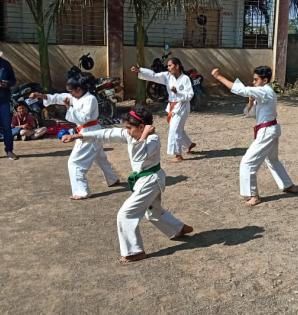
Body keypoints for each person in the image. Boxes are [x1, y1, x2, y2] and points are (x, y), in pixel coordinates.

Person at [61, 107, 194, 263]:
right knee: (153, 212)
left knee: (126, 214)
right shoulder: (131, 135)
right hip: (144, 181)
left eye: (130, 128)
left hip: (151, 180)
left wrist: (144, 135)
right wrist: (80, 135)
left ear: (142, 126)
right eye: (126, 128)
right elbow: (106, 134)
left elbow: (139, 156)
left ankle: (134, 251)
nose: (127, 132)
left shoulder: (153, 139)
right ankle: (178, 228)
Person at [211, 66, 298, 206]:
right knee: (272, 160)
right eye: (253, 79)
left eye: (256, 79)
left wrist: (219, 77)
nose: (254, 82)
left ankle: (253, 195)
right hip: (269, 130)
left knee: (247, 163)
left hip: (267, 131)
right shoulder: (261, 93)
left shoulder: (265, 91)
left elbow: (241, 90)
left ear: (265, 80)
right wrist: (251, 101)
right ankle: (288, 185)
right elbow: (249, 113)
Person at [29, 73, 119, 200]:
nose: (69, 94)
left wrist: (68, 108)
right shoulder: (75, 96)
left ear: (79, 89)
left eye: (71, 91)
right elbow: (57, 97)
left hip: (88, 132)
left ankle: (82, 191)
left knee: (74, 163)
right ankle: (113, 178)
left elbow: (84, 119)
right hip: (89, 132)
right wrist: (41, 95)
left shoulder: (90, 99)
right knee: (100, 158)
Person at [131, 57, 196, 162]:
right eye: (168, 65)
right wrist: (140, 70)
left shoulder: (185, 79)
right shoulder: (167, 76)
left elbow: (190, 95)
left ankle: (178, 155)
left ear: (177, 66)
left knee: (174, 129)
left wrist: (177, 93)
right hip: (171, 106)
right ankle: (189, 144)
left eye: (170, 65)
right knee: (176, 127)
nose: (168, 67)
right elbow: (153, 76)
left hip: (182, 106)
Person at [0, 50, 18, 160]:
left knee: (7, 127)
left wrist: (6, 83)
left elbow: (13, 80)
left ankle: (9, 151)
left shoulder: (6, 64)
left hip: (3, 101)